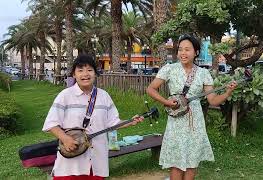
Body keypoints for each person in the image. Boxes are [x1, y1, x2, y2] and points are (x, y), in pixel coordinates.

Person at [146, 34, 237, 180]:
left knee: (192, 163)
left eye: (187, 49)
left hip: (195, 123)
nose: (183, 53)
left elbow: (213, 100)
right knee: (176, 163)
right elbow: (151, 89)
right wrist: (166, 102)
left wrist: (227, 92)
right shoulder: (169, 69)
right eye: (180, 49)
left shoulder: (203, 73)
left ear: (196, 52)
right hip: (176, 122)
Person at [42, 54, 143, 179]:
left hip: (96, 160)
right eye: (80, 70)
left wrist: (130, 121)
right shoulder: (65, 96)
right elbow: (51, 122)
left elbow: (112, 122)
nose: (85, 74)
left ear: (95, 73)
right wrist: (65, 139)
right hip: (71, 161)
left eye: (90, 70)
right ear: (74, 74)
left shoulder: (104, 96)